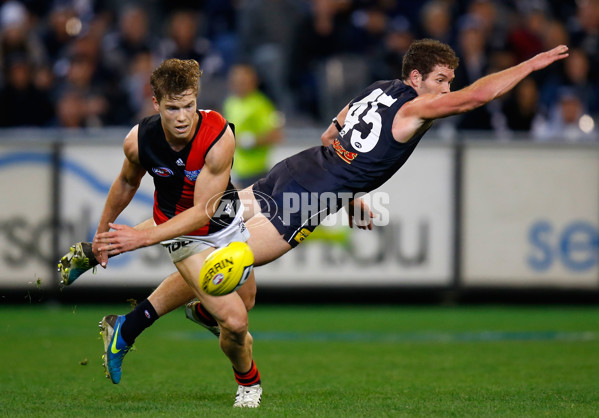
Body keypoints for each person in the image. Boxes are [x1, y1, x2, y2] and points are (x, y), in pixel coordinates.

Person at [59, 39, 568, 402]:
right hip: (311, 192)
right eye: (440, 80)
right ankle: (213, 320)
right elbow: (479, 96)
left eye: (447, 82)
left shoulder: (381, 88)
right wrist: (533, 63)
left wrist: (351, 188)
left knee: (234, 282)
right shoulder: (414, 108)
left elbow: (332, 135)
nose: (445, 89)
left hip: (295, 169)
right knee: (228, 272)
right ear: (416, 78)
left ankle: (146, 317)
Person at [61, 57, 263, 408]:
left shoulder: (218, 136)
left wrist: (137, 239)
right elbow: (126, 181)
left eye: (188, 106)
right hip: (180, 233)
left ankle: (131, 325)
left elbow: (203, 211)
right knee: (235, 320)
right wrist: (103, 230)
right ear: (156, 104)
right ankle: (250, 385)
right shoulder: (139, 140)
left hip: (223, 221)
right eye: (172, 108)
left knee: (245, 302)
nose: (182, 116)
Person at [223, 63, 284, 188]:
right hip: (234, 170)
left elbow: (276, 135)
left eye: (244, 81)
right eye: (236, 81)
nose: (239, 84)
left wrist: (247, 141)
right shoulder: (230, 103)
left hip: (256, 171)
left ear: (254, 81)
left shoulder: (262, 105)